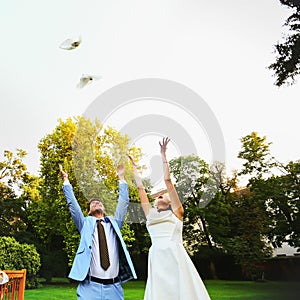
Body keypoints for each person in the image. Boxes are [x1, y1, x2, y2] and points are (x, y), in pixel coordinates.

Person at [128, 137, 211, 300]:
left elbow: (167, 181)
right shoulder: (150, 215)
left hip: (174, 253)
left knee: (180, 292)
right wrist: (134, 168)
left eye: (163, 195)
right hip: (157, 255)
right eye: (158, 196)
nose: (160, 195)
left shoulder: (177, 213)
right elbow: (140, 188)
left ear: (170, 201)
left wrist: (163, 155)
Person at [59, 164, 137, 300]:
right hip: (90, 287)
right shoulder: (85, 224)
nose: (97, 203)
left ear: (104, 210)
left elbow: (123, 202)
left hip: (114, 288)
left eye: (99, 203)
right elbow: (72, 204)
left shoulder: (115, 224)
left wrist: (122, 178)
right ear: (89, 211)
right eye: (93, 203)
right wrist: (66, 180)